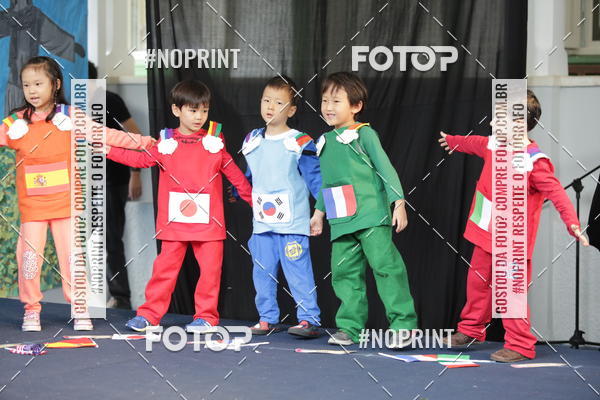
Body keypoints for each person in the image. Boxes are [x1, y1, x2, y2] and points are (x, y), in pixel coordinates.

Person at [0, 56, 154, 332]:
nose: (32, 90)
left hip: (66, 206)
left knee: (73, 259)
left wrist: (144, 142)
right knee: (29, 259)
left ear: (56, 84)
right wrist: (12, 131)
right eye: (26, 85)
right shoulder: (16, 122)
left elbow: (107, 135)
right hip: (33, 208)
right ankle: (31, 310)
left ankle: (80, 307)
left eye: (38, 83)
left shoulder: (71, 117)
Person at [439, 89, 589, 362]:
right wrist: (452, 141)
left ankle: (520, 344)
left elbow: (557, 194)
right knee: (478, 283)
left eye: (499, 119)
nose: (492, 123)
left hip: (513, 242)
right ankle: (471, 330)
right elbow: (473, 143)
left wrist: (573, 224)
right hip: (486, 233)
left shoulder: (534, 162)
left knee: (511, 293)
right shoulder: (493, 145)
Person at [107, 80, 253, 333]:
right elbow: (138, 159)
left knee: (210, 272)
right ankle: (149, 315)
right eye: (193, 110)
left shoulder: (214, 139)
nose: (199, 116)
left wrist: (254, 201)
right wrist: (107, 149)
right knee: (164, 270)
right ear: (176, 110)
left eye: (204, 110)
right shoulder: (165, 142)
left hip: (209, 223)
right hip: (174, 222)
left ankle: (206, 317)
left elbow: (233, 172)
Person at [311, 72, 418, 348]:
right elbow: (327, 182)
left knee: (386, 268)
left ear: (356, 106)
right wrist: (319, 213)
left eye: (336, 101)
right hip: (341, 219)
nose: (328, 107)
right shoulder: (325, 140)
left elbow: (385, 168)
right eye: (325, 100)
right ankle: (350, 328)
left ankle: (403, 326)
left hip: (370, 215)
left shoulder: (364, 134)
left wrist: (398, 202)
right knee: (343, 273)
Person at [241, 76, 322, 338]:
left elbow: (316, 179)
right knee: (262, 272)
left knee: (298, 271)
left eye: (278, 102)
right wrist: (237, 192)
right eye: (266, 100)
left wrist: (320, 212)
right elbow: (248, 176)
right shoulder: (252, 139)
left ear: (292, 110)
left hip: (292, 224)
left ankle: (309, 319)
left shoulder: (299, 141)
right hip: (262, 223)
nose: (270, 106)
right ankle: (267, 318)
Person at [89, 62, 143, 309]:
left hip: (113, 179)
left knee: (111, 238)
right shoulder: (70, 105)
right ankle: (93, 294)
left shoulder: (109, 100)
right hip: (84, 181)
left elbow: (134, 135)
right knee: (90, 239)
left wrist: (136, 173)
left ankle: (120, 296)